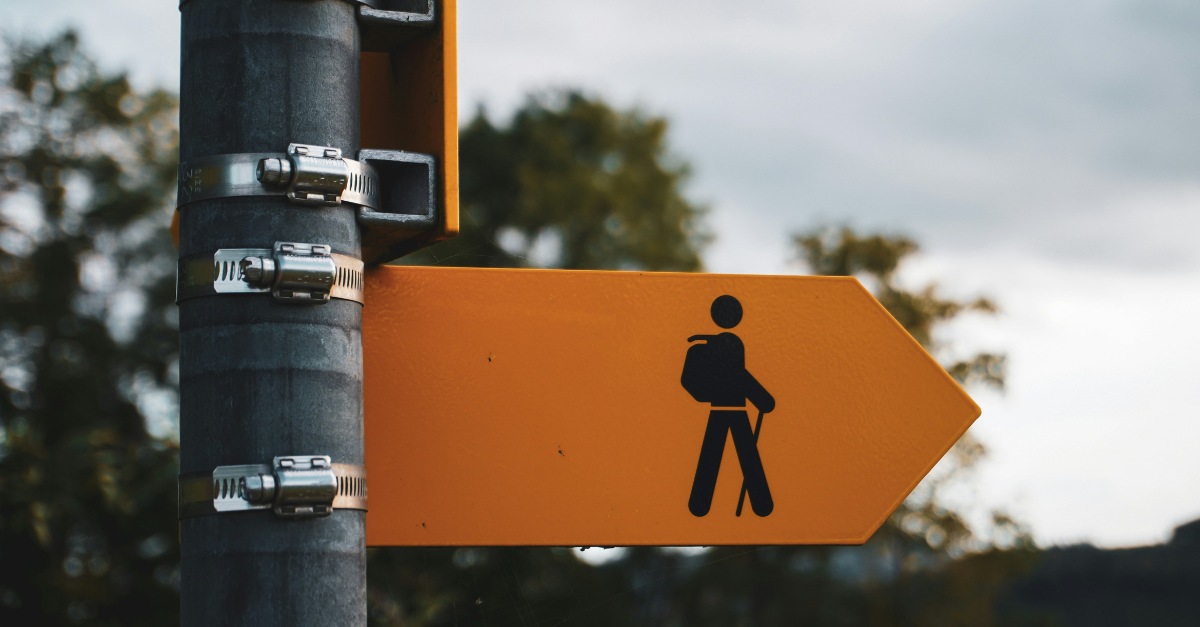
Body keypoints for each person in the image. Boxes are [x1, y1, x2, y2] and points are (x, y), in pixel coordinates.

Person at [680, 295, 775, 517]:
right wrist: (763, 400)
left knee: (721, 454)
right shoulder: (728, 345)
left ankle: (701, 506)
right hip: (733, 410)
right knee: (743, 454)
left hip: (722, 411)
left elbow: (738, 376)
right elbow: (740, 376)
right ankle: (761, 506)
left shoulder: (717, 344)